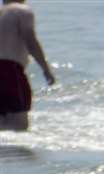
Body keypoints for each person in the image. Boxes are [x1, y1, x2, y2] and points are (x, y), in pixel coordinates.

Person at [0, 0, 54, 132]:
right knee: (19, 124)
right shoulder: (21, 11)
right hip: (9, 69)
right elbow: (30, 39)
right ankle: (13, 152)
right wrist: (45, 68)